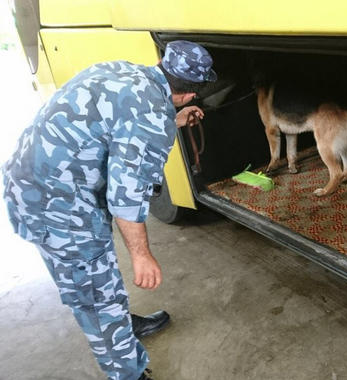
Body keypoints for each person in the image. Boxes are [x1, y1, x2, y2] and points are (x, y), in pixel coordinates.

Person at [2, 40, 216, 380]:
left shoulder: (123, 71)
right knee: (93, 293)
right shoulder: (150, 120)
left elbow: (117, 123)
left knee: (99, 284)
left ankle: (119, 324)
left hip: (33, 181)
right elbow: (125, 197)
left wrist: (169, 120)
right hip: (58, 207)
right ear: (190, 95)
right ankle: (126, 370)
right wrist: (141, 255)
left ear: (162, 62)